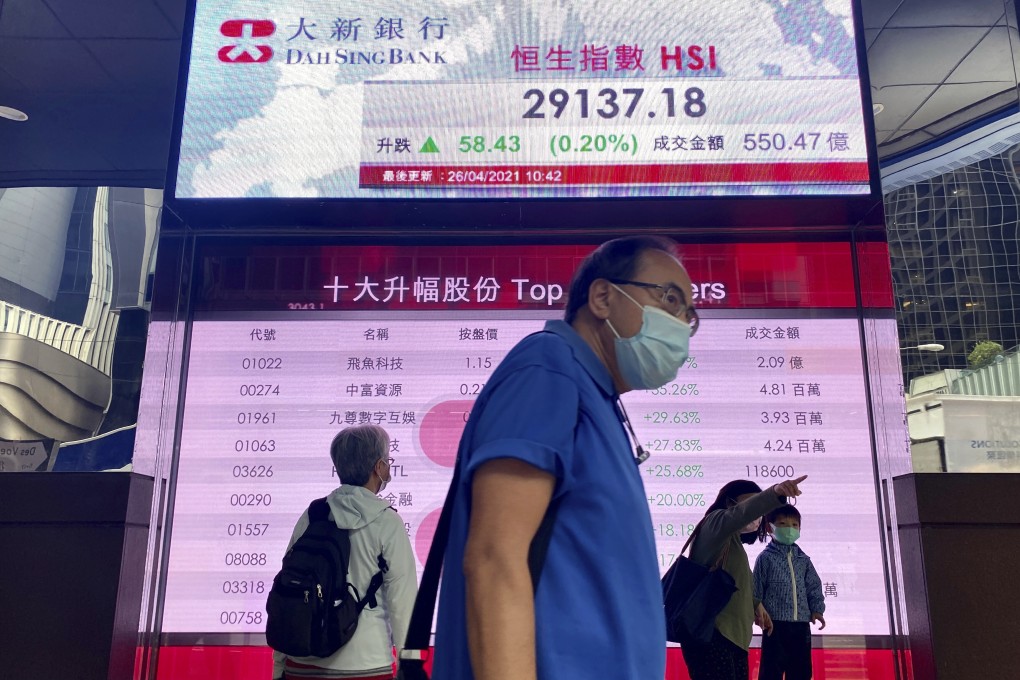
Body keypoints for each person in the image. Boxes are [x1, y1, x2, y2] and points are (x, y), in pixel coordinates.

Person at [430, 236, 698, 680]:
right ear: (603, 297)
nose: (680, 324)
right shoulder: (548, 370)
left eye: (688, 315)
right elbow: (494, 557)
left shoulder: (597, 398)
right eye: (669, 298)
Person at [272, 425, 417, 680]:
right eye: (388, 462)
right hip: (365, 666)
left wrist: (279, 665)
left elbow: (288, 587)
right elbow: (403, 603)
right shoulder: (386, 522)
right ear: (378, 467)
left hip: (301, 662)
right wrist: (410, 665)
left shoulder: (313, 514)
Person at [680, 477, 808, 680]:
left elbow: (742, 579)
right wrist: (775, 492)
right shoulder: (715, 522)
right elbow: (742, 513)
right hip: (712, 635)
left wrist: (756, 605)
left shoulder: (733, 544)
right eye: (751, 503)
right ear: (730, 503)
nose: (757, 514)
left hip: (734, 639)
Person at [752, 506, 826, 680]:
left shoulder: (803, 560)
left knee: (801, 671)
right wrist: (757, 612)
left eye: (794, 525)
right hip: (774, 625)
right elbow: (756, 589)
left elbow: (814, 586)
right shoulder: (765, 558)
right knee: (771, 671)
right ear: (770, 528)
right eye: (783, 524)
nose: (790, 529)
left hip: (801, 625)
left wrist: (817, 609)